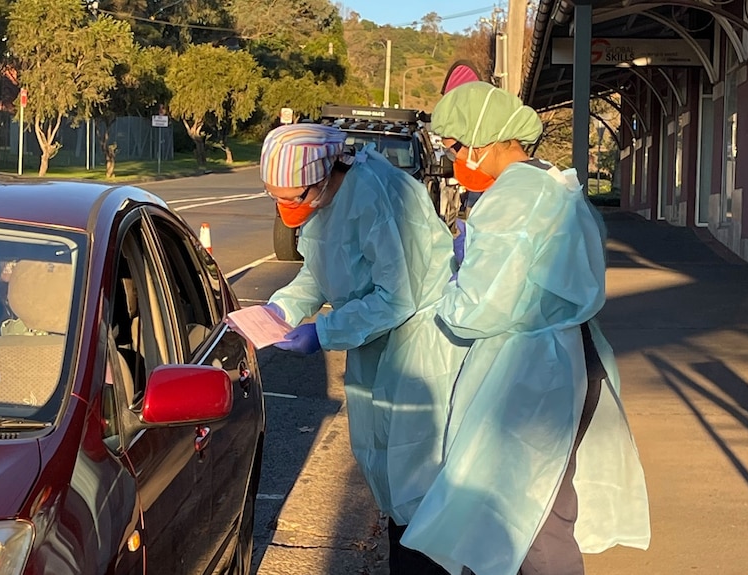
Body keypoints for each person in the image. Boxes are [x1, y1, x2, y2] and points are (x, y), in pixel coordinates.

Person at [400, 82, 651, 575]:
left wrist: (444, 294)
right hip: (569, 356)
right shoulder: (553, 181)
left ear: (481, 139)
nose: (455, 161)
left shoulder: (512, 197)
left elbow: (479, 308)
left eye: (454, 147)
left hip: (532, 372)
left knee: (528, 514)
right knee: (546, 502)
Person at [259, 123, 470, 574]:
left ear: (324, 173)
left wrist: (325, 332)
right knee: (389, 482)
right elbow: (322, 271)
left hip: (418, 350)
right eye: (277, 198)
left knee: (419, 488)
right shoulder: (326, 201)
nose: (288, 209)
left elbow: (397, 298)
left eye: (294, 197)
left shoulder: (378, 195)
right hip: (377, 350)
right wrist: (282, 309)